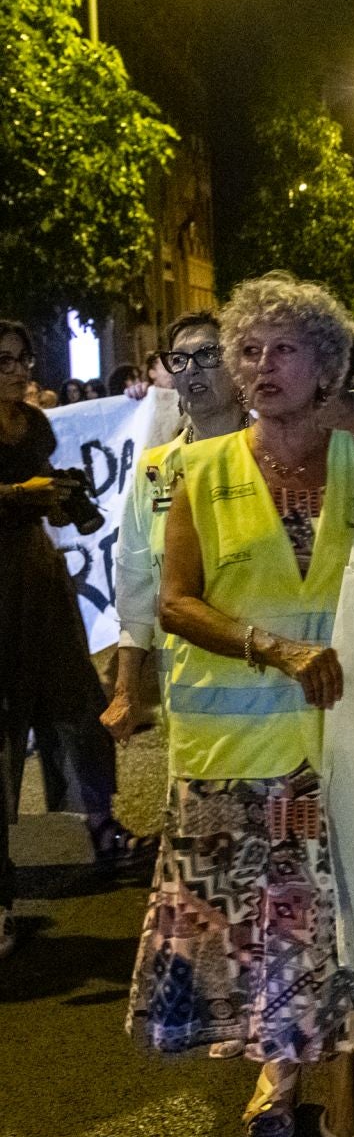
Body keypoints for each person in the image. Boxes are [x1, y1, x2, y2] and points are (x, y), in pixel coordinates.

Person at [129, 274, 354, 1137]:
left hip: (348, 749)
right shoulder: (194, 470)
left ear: (328, 365)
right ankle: (277, 1069)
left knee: (336, 938)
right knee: (257, 942)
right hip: (231, 758)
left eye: (282, 349)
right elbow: (175, 601)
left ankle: (344, 1119)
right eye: (247, 349)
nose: (258, 366)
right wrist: (271, 647)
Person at [0, 320, 145, 959]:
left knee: (79, 707)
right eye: (3, 358)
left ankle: (103, 825)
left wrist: (59, 502)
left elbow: (43, 501)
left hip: (40, 581)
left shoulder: (34, 425)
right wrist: (16, 494)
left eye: (22, 357)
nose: (16, 368)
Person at [101, 312, 252, 746]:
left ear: (239, 366)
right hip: (192, 712)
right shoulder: (153, 470)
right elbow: (134, 591)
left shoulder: (274, 460)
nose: (192, 369)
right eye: (179, 359)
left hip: (279, 702)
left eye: (207, 354)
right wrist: (126, 690)